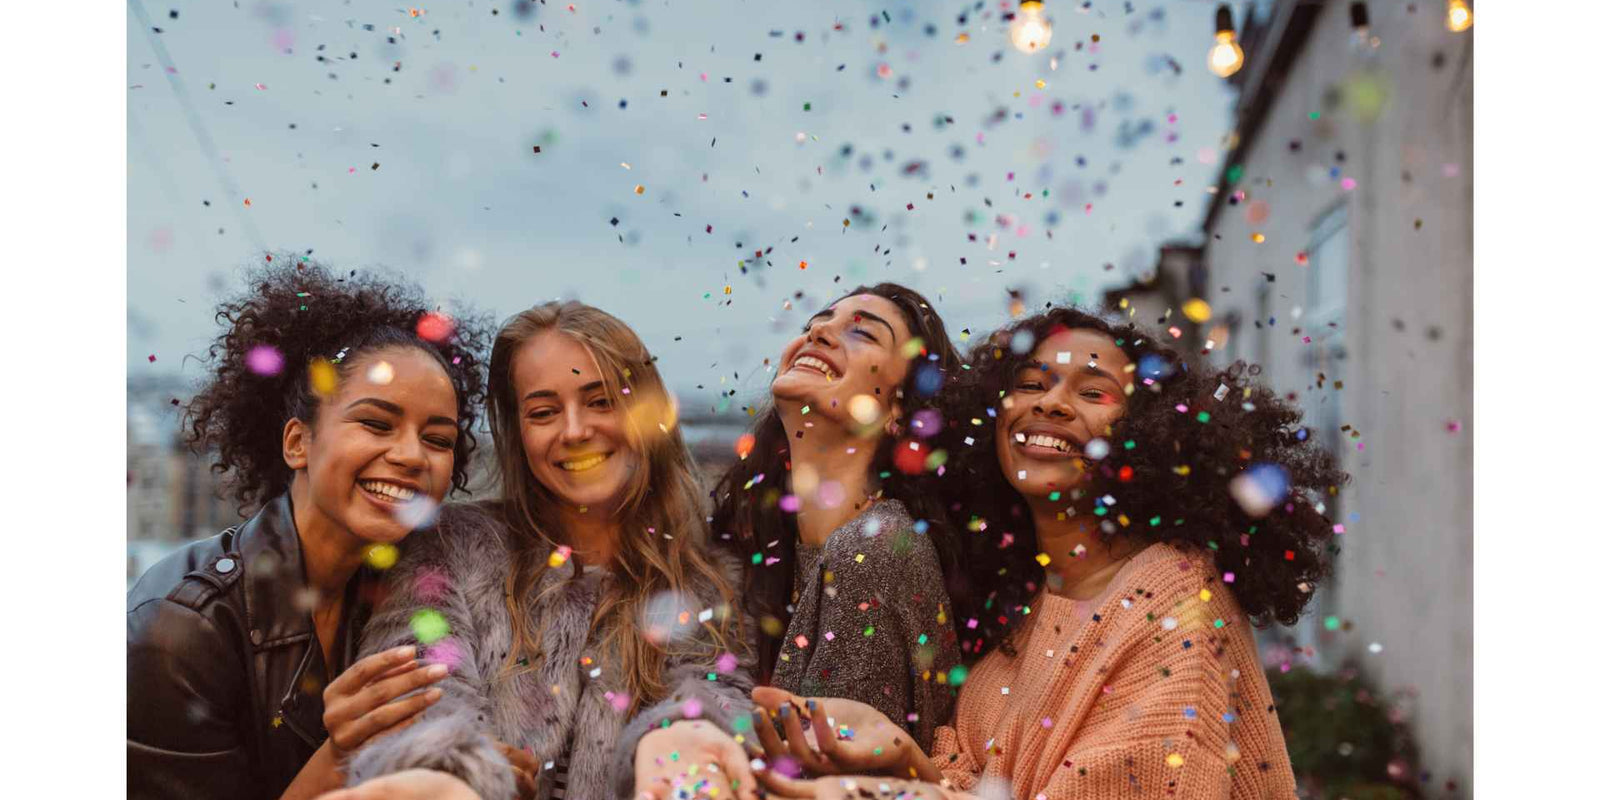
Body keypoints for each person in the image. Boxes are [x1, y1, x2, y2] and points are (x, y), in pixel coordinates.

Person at [745, 306, 1346, 800]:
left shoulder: (1175, 601)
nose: (1051, 404)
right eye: (1030, 384)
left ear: (1151, 433)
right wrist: (906, 759)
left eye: (1093, 391)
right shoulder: (1032, 601)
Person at [342, 301, 754, 800]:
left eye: (601, 401)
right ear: (518, 432)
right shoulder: (449, 548)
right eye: (543, 412)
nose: (575, 431)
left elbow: (711, 697)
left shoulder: (707, 577)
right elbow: (418, 695)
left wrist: (682, 745)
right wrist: (455, 771)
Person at [127, 261, 491, 800]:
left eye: (438, 440)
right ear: (298, 443)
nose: (412, 455)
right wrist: (344, 753)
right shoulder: (179, 631)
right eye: (376, 423)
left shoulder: (418, 593)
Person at [626, 283, 971, 797]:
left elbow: (824, 781)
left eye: (862, 332)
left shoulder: (876, 548)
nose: (820, 331)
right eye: (816, 323)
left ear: (901, 408)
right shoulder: (766, 551)